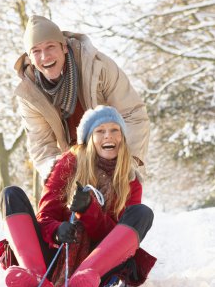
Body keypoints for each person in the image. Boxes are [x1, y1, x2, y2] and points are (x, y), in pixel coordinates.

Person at [0, 106, 156, 287]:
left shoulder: (130, 179)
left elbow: (116, 238)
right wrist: (57, 231)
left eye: (115, 130)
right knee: (10, 194)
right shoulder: (68, 164)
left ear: (122, 137)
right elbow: (46, 216)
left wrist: (88, 211)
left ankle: (79, 281)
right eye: (100, 131)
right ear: (89, 138)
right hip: (56, 256)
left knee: (142, 213)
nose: (109, 136)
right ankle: (36, 277)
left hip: (98, 264)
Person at [14, 15, 150, 182]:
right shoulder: (30, 94)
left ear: (63, 46)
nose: (45, 56)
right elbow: (42, 145)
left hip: (112, 153)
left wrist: (128, 163)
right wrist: (59, 176)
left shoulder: (98, 67)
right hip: (74, 162)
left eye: (50, 46)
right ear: (30, 58)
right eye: (36, 51)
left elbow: (133, 114)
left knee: (124, 205)